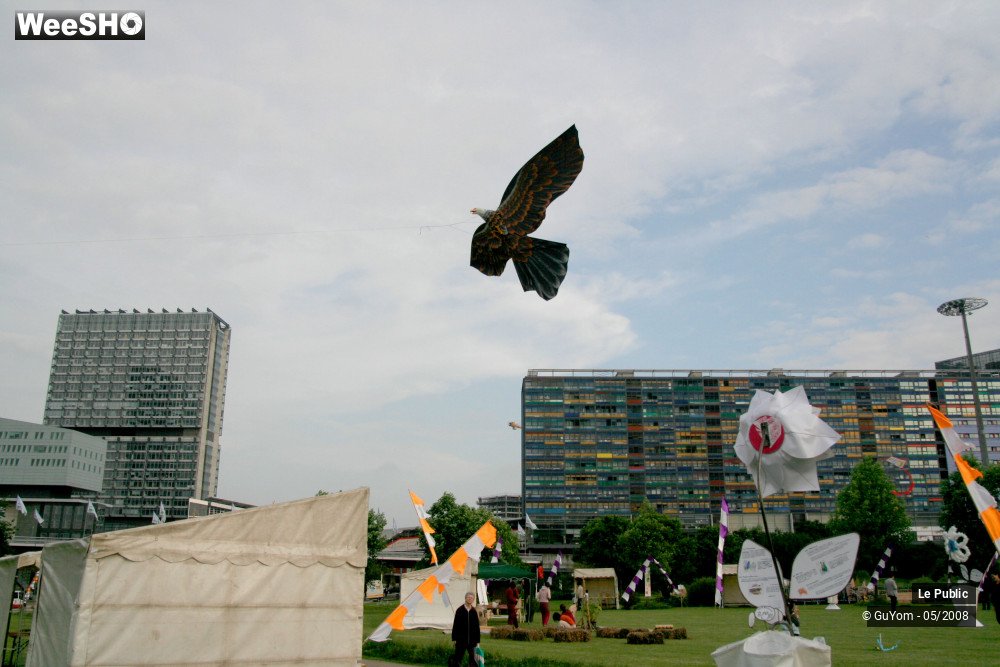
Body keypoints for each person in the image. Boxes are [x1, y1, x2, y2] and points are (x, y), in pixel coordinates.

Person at [451, 592, 480, 667]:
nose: (470, 599)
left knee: (473, 659)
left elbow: (477, 627)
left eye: (471, 598)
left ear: (473, 600)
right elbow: (455, 625)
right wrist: (454, 638)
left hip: (472, 640)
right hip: (461, 640)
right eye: (468, 597)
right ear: (465, 598)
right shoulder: (460, 610)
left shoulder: (474, 611)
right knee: (457, 658)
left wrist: (478, 641)